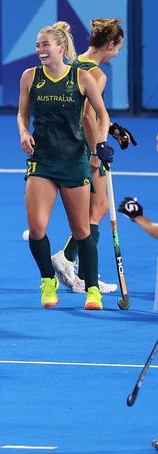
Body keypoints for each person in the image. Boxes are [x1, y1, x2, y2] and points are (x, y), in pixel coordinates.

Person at [17, 21, 114, 310]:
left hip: (74, 162)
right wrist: (24, 132)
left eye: (45, 45)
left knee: (82, 229)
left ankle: (92, 290)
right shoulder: (30, 77)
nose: (40, 50)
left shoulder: (82, 78)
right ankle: (48, 281)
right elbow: (22, 115)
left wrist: (102, 143)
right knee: (36, 228)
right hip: (43, 161)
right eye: (37, 45)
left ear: (61, 47)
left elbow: (102, 115)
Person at [51, 19, 131, 293]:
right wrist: (98, 149)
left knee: (92, 209)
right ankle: (79, 270)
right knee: (97, 209)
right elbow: (87, 115)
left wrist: (114, 128)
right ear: (110, 44)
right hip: (84, 148)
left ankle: (73, 261)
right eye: (118, 47)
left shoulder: (74, 62)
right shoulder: (97, 73)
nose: (118, 53)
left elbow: (90, 110)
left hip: (65, 143)